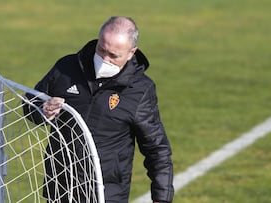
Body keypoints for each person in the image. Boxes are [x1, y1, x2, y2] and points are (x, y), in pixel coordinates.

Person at [24, 16, 174, 203]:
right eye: (101, 50)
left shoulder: (140, 90)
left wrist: (162, 197)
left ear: (131, 53)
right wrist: (42, 110)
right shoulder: (67, 67)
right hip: (60, 187)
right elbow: (30, 103)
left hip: (106, 193)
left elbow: (156, 148)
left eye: (113, 56)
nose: (104, 59)